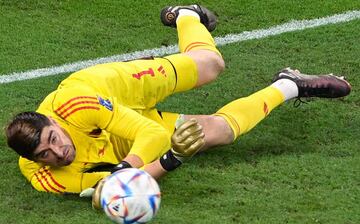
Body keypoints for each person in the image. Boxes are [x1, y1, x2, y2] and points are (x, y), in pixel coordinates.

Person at [5, 5, 351, 196]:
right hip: (120, 138)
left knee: (210, 65)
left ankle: (185, 13)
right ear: (34, 160)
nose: (58, 152)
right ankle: (290, 84)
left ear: (52, 122)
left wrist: (127, 169)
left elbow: (148, 141)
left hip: (116, 90)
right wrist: (173, 159)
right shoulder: (46, 177)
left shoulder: (75, 104)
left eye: (53, 138)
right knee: (219, 133)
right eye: (45, 154)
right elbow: (116, 187)